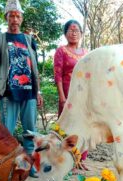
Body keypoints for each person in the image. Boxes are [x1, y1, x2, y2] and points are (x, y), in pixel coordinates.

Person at [0, 0, 43, 177]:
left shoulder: (29, 40)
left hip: (29, 92)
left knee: (30, 131)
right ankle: (7, 166)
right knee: (7, 133)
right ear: (6, 18)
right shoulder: (0, 39)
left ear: (21, 19)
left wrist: (38, 91)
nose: (15, 19)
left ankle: (29, 165)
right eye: (11, 15)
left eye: (18, 15)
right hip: (9, 92)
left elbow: (34, 66)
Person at [53, 20, 88, 169]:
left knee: (84, 126)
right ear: (65, 33)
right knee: (67, 127)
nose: (74, 33)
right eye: (71, 30)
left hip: (84, 94)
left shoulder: (86, 53)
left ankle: (80, 160)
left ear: (81, 34)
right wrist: (62, 96)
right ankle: (67, 160)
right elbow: (58, 75)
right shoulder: (61, 51)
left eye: (77, 30)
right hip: (67, 92)